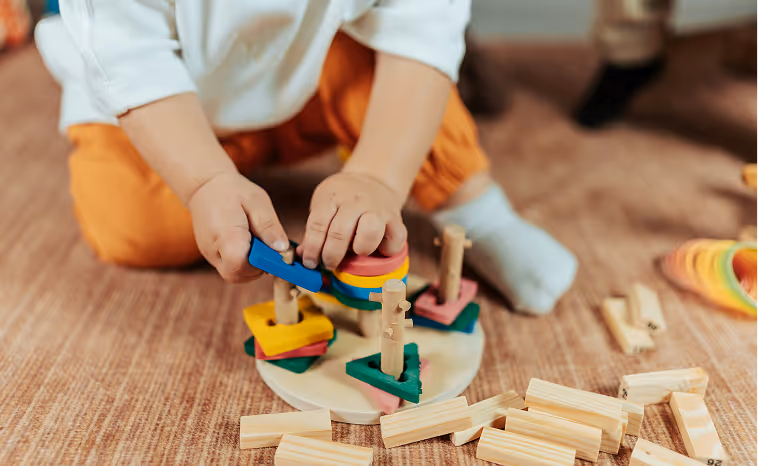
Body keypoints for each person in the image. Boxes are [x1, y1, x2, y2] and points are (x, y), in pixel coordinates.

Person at [35, 1, 577, 315]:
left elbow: (420, 31)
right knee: (135, 226)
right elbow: (127, 58)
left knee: (407, 96)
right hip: (160, 107)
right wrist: (203, 182)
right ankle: (218, 172)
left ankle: (479, 212)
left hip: (310, 70)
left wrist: (378, 175)